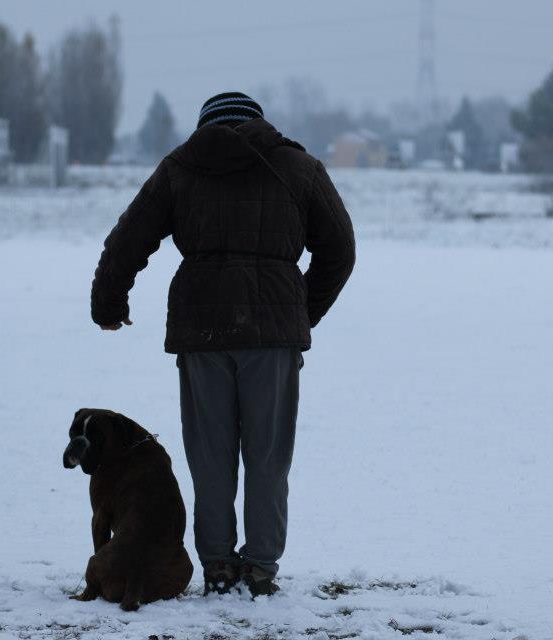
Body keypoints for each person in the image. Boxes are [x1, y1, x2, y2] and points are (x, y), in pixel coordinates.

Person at [90, 91, 355, 597]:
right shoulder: (299, 167)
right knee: (268, 456)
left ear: (205, 126)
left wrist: (109, 304)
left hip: (202, 331)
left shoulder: (182, 166)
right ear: (260, 123)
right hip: (272, 339)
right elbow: (339, 252)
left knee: (209, 455)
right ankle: (259, 566)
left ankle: (216, 563)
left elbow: (126, 240)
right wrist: (298, 315)